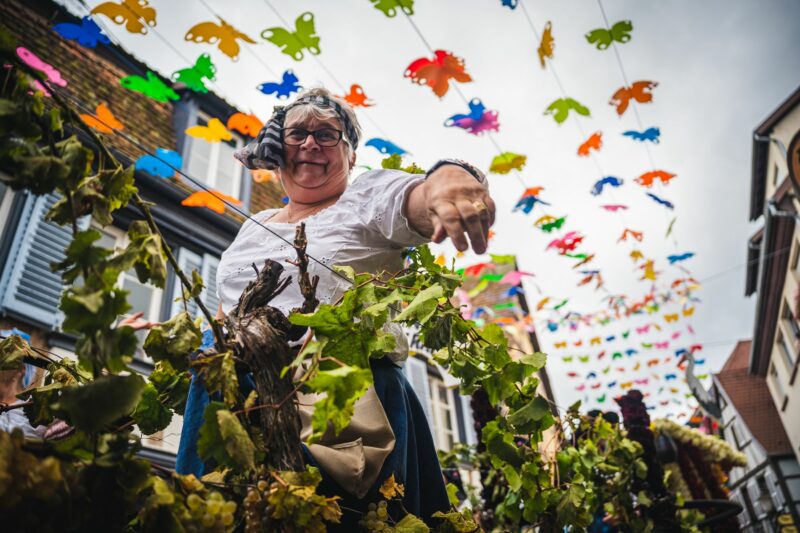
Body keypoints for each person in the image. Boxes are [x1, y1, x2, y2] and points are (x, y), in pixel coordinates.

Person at [176, 87, 496, 527]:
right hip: (231, 400)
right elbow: (228, 317)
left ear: (350, 152)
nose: (310, 143)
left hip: (343, 406)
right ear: (277, 146)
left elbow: (415, 200)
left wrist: (448, 180)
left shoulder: (364, 197)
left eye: (327, 135)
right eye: (298, 134)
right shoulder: (257, 225)